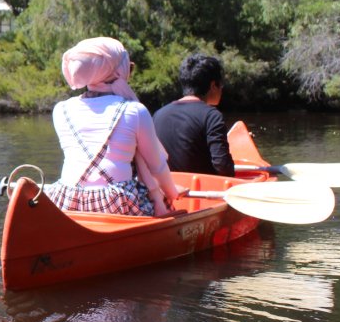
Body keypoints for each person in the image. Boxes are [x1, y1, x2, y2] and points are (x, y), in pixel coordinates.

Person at [45, 37, 184, 216]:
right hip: (116, 201)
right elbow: (157, 166)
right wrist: (172, 193)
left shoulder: (60, 110)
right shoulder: (134, 110)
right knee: (158, 198)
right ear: (118, 69)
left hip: (68, 198)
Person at [153, 54, 235, 177]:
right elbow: (223, 166)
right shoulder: (212, 116)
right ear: (213, 86)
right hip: (202, 191)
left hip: (168, 190)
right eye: (221, 85)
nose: (222, 89)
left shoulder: (158, 115)